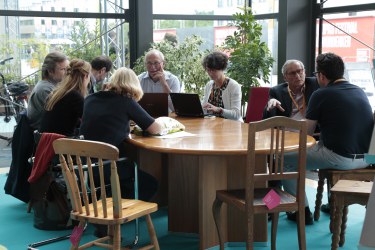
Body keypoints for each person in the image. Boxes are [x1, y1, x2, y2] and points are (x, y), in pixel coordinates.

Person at [282, 52, 374, 225]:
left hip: (341, 158)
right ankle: (332, 202)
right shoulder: (359, 91)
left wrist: (286, 128)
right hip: (366, 158)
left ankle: (301, 210)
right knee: (327, 145)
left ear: (322, 75)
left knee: (282, 158)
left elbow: (307, 132)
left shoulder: (321, 94)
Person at [80, 67, 163, 237]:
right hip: (110, 165)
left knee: (120, 181)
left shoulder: (91, 98)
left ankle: (105, 212)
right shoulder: (126, 101)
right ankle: (114, 216)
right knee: (150, 184)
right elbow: (155, 129)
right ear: (133, 86)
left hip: (87, 165)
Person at [39, 59, 91, 136]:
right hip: (62, 145)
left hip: (46, 143)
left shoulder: (56, 93)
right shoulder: (75, 96)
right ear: (86, 76)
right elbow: (89, 122)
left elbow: (63, 119)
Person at [27, 51, 69, 130]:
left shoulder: (51, 85)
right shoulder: (45, 89)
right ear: (50, 71)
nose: (67, 73)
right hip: (47, 135)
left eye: (68, 69)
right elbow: (62, 116)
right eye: (63, 69)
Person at [201, 51, 243, 122]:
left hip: (231, 126)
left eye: (213, 70)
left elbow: (236, 115)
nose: (210, 73)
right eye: (208, 70)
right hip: (213, 125)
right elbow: (204, 108)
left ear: (222, 68)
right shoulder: (209, 85)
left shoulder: (234, 86)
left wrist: (219, 110)